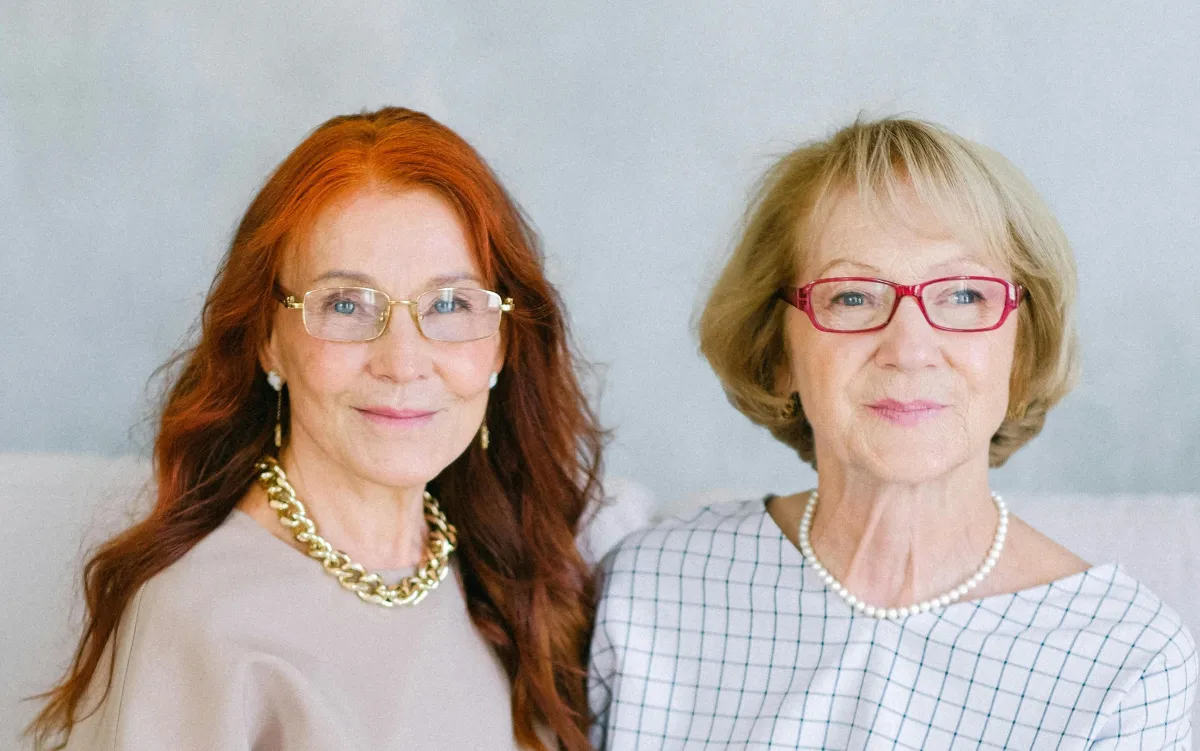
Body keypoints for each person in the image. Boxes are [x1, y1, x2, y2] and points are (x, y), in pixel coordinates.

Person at [589, 116, 1196, 749]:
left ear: (1021, 350)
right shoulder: (646, 590)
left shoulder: (1125, 660)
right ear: (778, 349)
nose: (910, 349)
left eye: (964, 295)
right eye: (852, 297)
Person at [31, 107, 603, 751]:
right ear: (267, 339)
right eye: (345, 304)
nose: (402, 362)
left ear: (501, 342)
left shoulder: (514, 581)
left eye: (449, 304)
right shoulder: (198, 617)